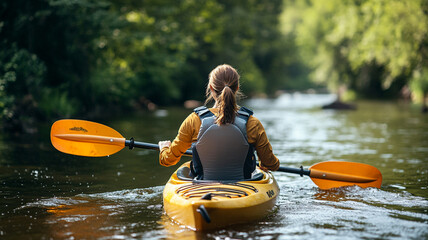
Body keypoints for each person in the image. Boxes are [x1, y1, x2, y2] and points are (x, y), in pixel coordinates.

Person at [158, 64, 279, 180]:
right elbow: (271, 164)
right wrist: (264, 164)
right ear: (237, 88)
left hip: (202, 187)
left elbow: (168, 160)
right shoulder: (252, 123)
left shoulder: (193, 120)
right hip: (243, 187)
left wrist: (164, 149)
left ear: (211, 88)